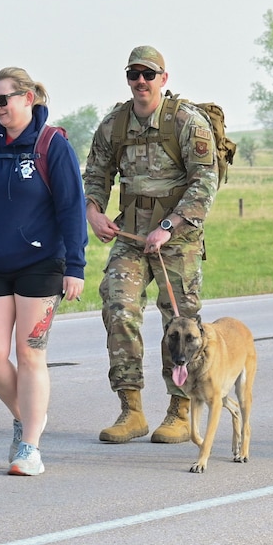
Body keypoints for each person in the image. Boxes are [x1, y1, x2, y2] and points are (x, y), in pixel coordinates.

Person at [0, 67, 88, 477]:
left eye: (3, 99)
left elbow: (71, 208)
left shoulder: (52, 146)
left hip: (42, 267)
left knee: (30, 354)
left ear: (28, 98)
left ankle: (30, 447)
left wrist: (75, 265)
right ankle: (28, 416)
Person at [82, 45, 221, 444]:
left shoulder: (187, 123)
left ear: (163, 78)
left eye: (148, 74)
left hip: (177, 239)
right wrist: (94, 212)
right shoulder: (115, 124)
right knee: (119, 307)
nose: (140, 82)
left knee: (180, 322)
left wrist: (169, 225)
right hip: (130, 235)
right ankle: (131, 411)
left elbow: (203, 182)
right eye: (133, 74)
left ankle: (180, 410)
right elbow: (96, 173)